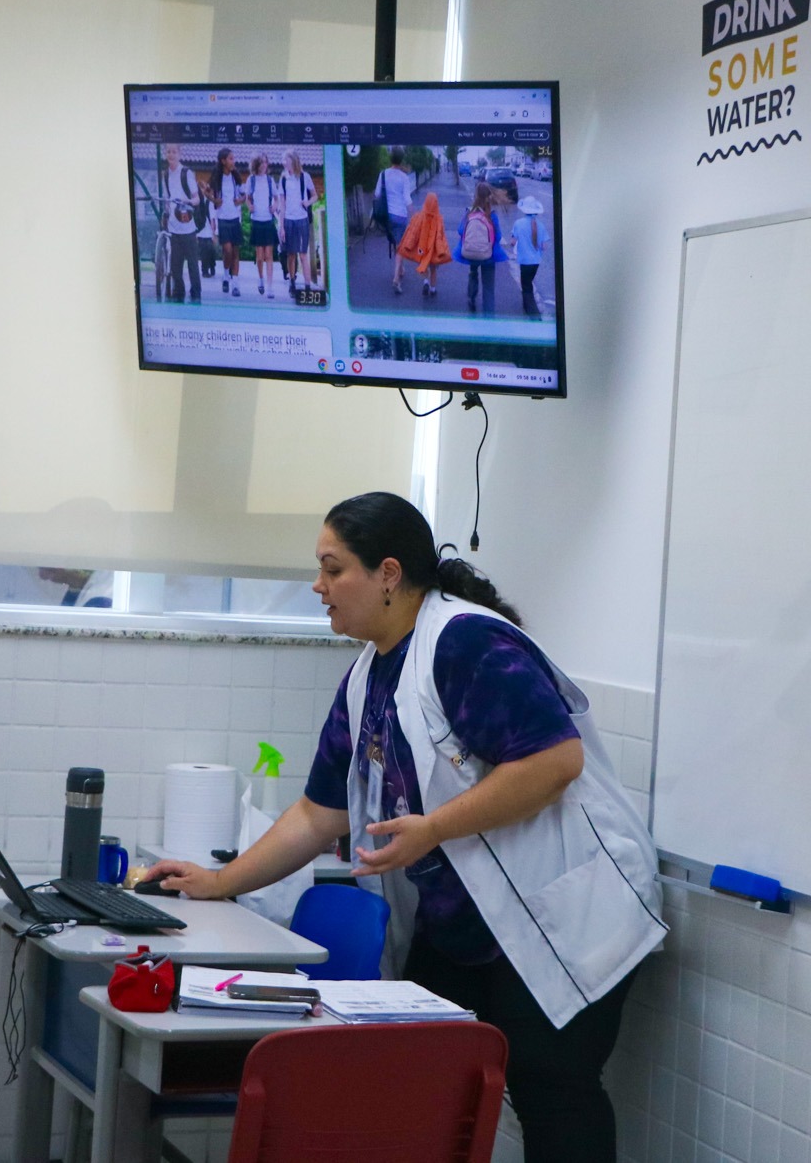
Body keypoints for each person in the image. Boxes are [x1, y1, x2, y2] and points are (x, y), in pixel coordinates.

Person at [146, 493, 665, 1163]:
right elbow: (318, 813)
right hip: (467, 925)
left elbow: (555, 762)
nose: (318, 585)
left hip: (567, 911)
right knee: (420, 1073)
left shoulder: (466, 643)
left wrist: (434, 827)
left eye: (333, 568)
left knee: (551, 1086)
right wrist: (221, 881)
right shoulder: (368, 675)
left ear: (388, 573)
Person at [161, 143, 203, 303]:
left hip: (188, 228)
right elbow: (167, 200)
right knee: (175, 266)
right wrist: (166, 212)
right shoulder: (165, 175)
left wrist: (187, 201)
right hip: (174, 228)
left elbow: (197, 199)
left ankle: (196, 295)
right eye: (168, 152)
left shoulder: (186, 173)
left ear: (179, 154)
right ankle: (179, 294)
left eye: (174, 152)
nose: (171, 155)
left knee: (192, 265)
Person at [393, 191, 451, 298]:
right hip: (433, 250)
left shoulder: (419, 217)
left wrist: (409, 245)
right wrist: (442, 250)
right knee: (433, 269)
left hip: (422, 248)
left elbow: (414, 232)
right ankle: (433, 289)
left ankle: (425, 282)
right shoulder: (439, 219)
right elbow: (440, 236)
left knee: (424, 265)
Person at [207, 148, 244, 296]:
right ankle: (226, 274)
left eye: (233, 159)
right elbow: (207, 193)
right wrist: (214, 200)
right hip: (223, 218)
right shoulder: (217, 177)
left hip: (235, 218)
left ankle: (235, 284)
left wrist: (240, 200)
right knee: (227, 250)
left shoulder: (236, 177)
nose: (233, 162)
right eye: (230, 159)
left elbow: (244, 196)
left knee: (235, 252)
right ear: (223, 161)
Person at [460, 184, 500, 315]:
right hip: (488, 255)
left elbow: (460, 230)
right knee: (488, 287)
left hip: (471, 252)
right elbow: (499, 236)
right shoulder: (492, 215)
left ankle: (471, 298)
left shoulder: (469, 212)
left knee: (473, 273)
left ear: (476, 196)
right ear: (489, 197)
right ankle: (489, 316)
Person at [279, 150, 316, 294]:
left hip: (302, 220)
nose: (284, 163)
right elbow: (282, 205)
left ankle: (307, 286)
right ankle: (292, 282)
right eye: (283, 161)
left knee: (303, 254)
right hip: (289, 220)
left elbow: (315, 196)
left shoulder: (305, 177)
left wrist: (307, 202)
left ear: (293, 161)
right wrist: (282, 227)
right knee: (291, 254)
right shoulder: (283, 179)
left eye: (286, 160)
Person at [374, 153, 414, 282]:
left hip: (386, 216)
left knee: (396, 242)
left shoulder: (383, 174)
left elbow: (377, 194)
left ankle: (401, 270)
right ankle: (396, 277)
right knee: (400, 245)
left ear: (390, 159)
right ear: (401, 160)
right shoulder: (404, 177)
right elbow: (407, 199)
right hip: (400, 216)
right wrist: (414, 215)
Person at [246, 151, 280, 298]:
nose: (264, 165)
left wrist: (275, 206)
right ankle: (260, 279)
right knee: (259, 256)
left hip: (268, 220)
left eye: (265, 162)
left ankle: (270, 287)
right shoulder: (251, 180)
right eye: (261, 162)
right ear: (256, 164)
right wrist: (249, 206)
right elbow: (247, 197)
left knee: (269, 255)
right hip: (256, 220)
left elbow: (277, 198)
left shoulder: (270, 180)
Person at [512, 193, 551, 318]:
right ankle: (526, 307)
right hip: (536, 262)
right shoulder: (541, 225)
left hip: (524, 261)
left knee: (526, 286)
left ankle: (533, 314)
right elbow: (544, 246)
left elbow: (513, 241)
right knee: (528, 282)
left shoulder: (518, 223)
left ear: (524, 210)